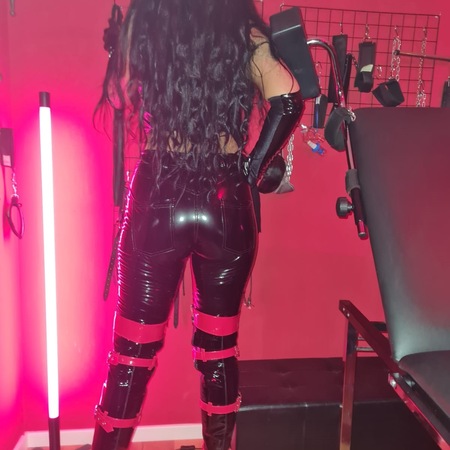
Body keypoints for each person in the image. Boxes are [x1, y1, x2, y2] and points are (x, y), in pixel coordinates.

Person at [92, 1, 303, 449]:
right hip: (224, 200)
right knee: (218, 348)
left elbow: (119, 95)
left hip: (159, 193)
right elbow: (288, 98)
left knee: (132, 350)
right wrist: (250, 169)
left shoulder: (150, 22)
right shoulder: (242, 32)